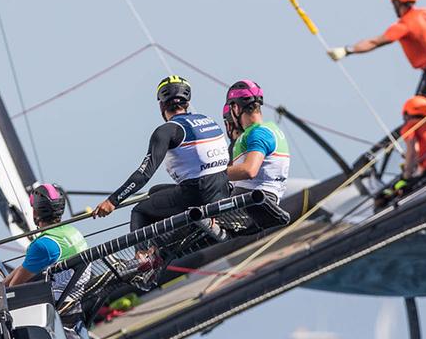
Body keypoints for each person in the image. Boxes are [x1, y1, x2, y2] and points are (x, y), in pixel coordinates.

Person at [92, 75, 229, 231]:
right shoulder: (207, 120)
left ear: (162, 106)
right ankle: (163, 245)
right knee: (155, 191)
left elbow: (144, 173)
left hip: (198, 194)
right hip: (222, 190)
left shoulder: (167, 130)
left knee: (140, 211)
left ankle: (144, 254)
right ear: (187, 103)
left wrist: (113, 201)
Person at [225, 80, 292, 231]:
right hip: (253, 200)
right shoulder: (269, 129)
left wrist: (213, 175)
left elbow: (249, 170)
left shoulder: (259, 132)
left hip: (252, 201)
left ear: (235, 107)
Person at [5, 183, 88, 301]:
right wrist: (1, 285)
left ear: (35, 212)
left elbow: (13, 287)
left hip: (59, 307)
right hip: (77, 298)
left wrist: (1, 289)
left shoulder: (42, 245)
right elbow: (28, 266)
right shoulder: (73, 231)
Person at [374, 95, 426, 209]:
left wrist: (406, 175)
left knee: (393, 193)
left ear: (407, 113)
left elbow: (413, 151)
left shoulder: (411, 125)